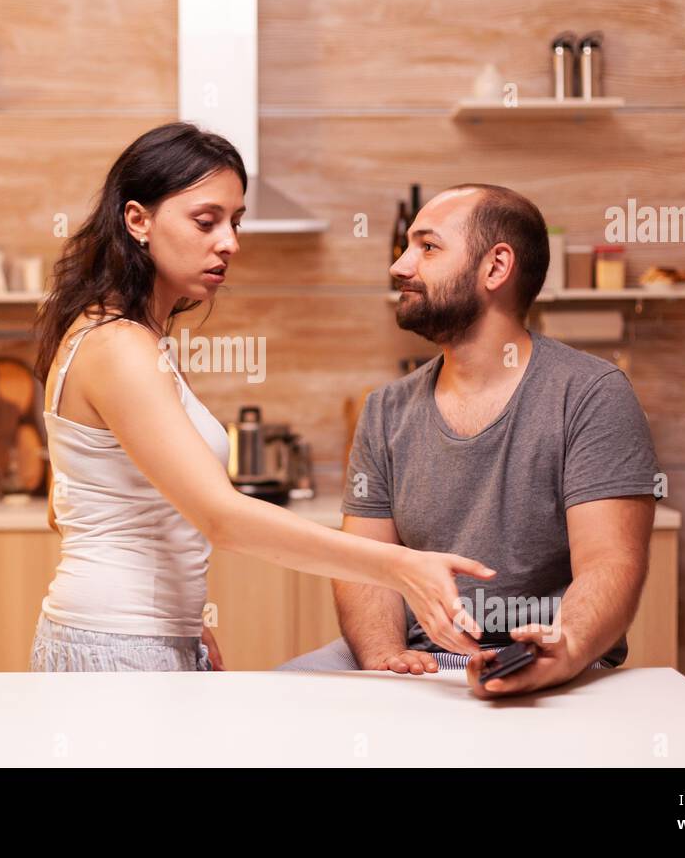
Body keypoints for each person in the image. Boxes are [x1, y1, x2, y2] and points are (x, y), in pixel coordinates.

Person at [28, 123, 494, 672]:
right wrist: (400, 566)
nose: (230, 242)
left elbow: (70, 509)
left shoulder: (126, 336)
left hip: (128, 635)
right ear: (138, 220)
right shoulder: (119, 346)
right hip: (116, 649)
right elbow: (221, 518)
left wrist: (176, 615)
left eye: (235, 221)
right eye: (206, 221)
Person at [278, 184, 660, 699]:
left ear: (495, 267)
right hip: (420, 661)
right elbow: (363, 563)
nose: (400, 266)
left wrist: (562, 649)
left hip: (549, 658)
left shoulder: (591, 395)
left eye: (427, 247)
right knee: (279, 697)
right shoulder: (385, 410)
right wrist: (385, 659)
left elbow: (610, 566)